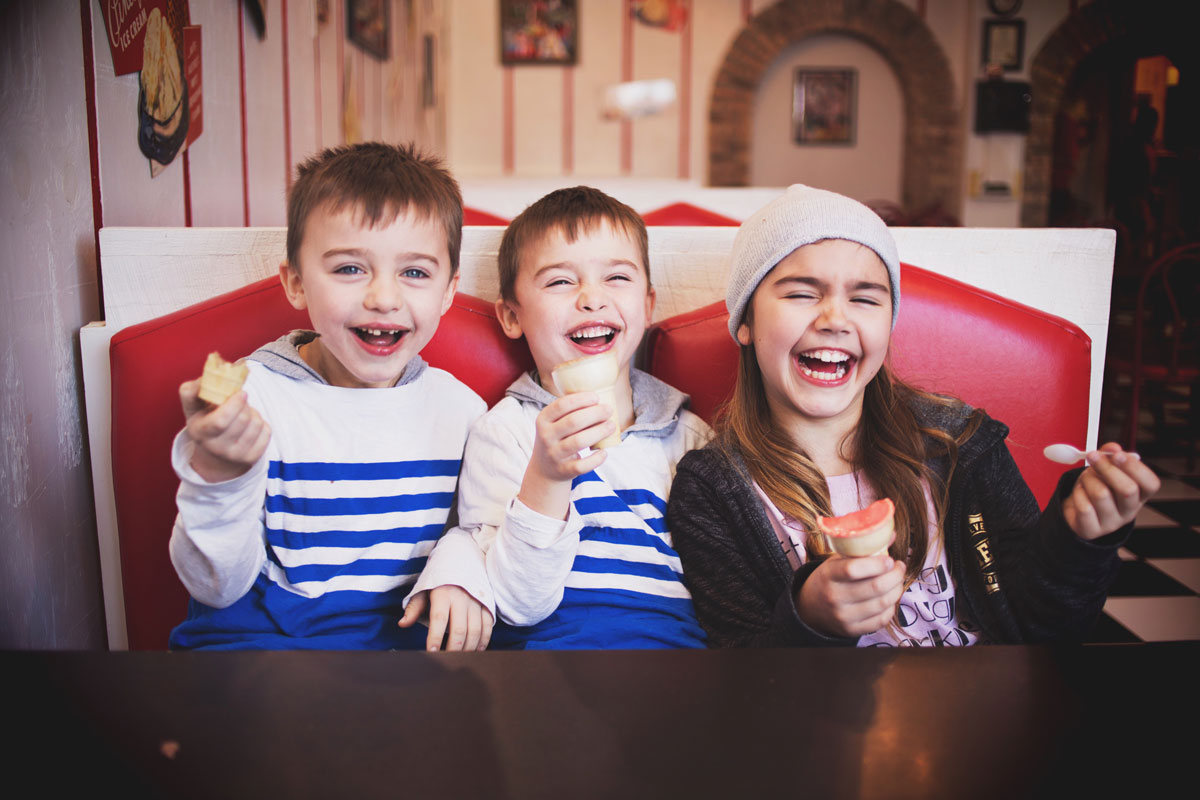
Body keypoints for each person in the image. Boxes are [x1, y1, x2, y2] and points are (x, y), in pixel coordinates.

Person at [666, 184, 1161, 647]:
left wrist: (1079, 539)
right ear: (746, 321)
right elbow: (741, 679)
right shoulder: (712, 488)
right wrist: (808, 616)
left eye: (864, 298)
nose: (835, 320)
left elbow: (1044, 627)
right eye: (801, 293)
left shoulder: (960, 442)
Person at [168, 142, 490, 650]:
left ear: (448, 291)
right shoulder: (252, 401)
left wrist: (462, 567)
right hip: (262, 645)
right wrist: (218, 476)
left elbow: (481, 532)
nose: (383, 298)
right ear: (296, 283)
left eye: (414, 272)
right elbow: (214, 586)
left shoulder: (464, 412)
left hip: (402, 656)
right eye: (348, 269)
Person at [413, 186, 712, 649]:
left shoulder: (691, 438)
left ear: (648, 306)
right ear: (512, 316)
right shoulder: (505, 433)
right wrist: (546, 478)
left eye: (616, 278)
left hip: (674, 653)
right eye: (560, 282)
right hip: (549, 655)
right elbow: (516, 604)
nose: (592, 299)